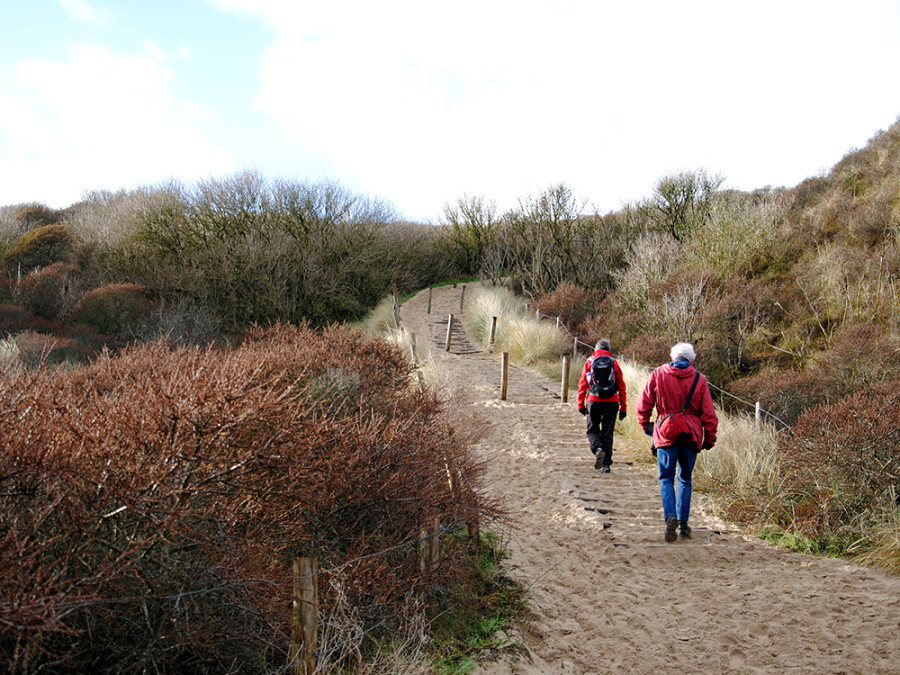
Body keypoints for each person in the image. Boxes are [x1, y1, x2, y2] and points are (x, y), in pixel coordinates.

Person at [637, 342, 718, 542]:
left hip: (666, 433)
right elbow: (708, 413)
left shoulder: (658, 373)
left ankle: (670, 517)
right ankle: (683, 524)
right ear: (692, 359)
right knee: (685, 479)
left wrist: (645, 424)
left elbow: (644, 402)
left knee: (666, 478)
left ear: (673, 357)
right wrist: (710, 437)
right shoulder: (699, 379)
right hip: (690, 435)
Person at [576, 339, 627, 473]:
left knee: (592, 430)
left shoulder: (589, 362)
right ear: (609, 350)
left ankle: (597, 449)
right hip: (612, 401)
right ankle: (606, 465)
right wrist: (623, 408)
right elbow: (622, 386)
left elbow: (582, 384)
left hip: (594, 400)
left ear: (596, 349)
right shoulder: (614, 363)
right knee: (607, 433)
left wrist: (580, 404)